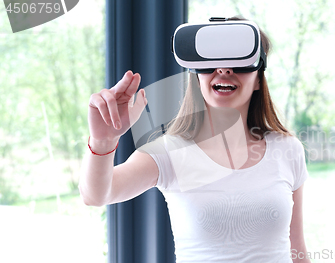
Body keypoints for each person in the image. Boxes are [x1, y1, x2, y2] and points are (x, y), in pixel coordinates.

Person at [80, 17, 311, 263]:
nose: (224, 70)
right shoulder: (168, 153)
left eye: (238, 61)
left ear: (258, 78)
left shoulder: (288, 149)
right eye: (212, 61)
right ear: (196, 75)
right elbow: (96, 196)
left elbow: (296, 250)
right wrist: (103, 141)